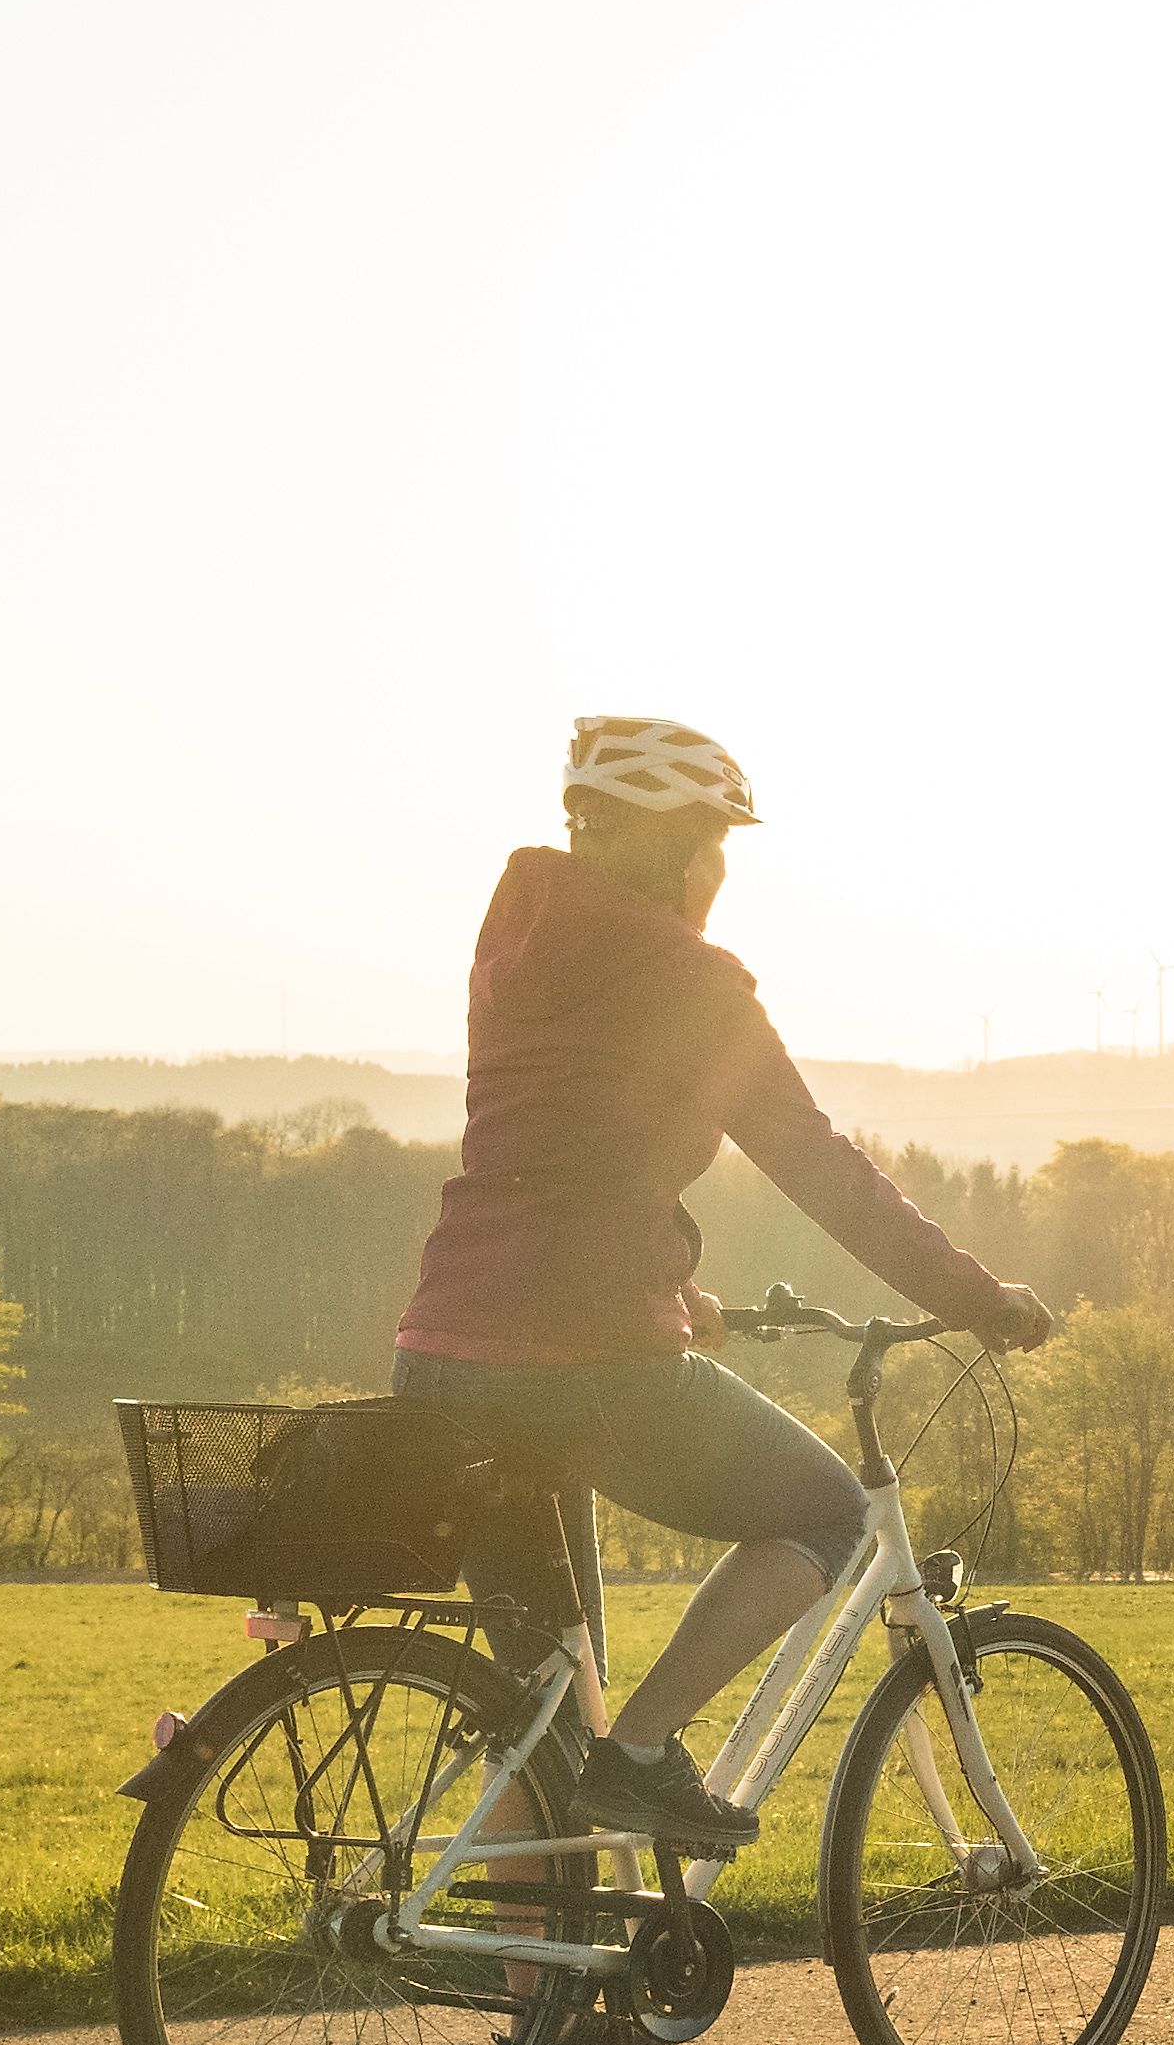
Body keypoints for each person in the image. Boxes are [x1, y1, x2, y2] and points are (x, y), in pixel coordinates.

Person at [391, 715, 1051, 1866]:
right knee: (828, 1511)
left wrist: (670, 1273)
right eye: (716, 842)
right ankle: (644, 1750)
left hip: (445, 1345)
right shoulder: (690, 978)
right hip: (579, 1362)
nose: (723, 868)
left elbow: (563, 1138)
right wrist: (976, 1292)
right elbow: (820, 1165)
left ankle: (541, 2033)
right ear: (673, 847)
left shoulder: (518, 939)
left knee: (536, 1716)